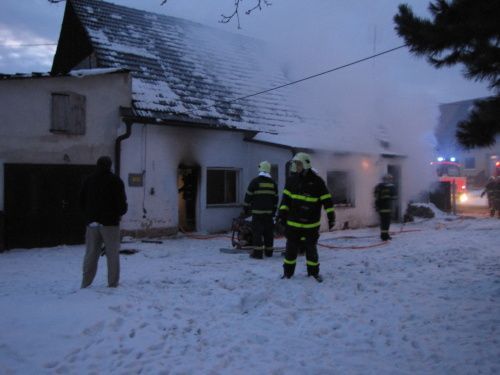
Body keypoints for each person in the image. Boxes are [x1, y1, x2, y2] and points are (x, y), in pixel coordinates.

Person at [277, 153, 335, 282]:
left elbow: (327, 201)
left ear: (305, 164)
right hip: (293, 224)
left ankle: (313, 274)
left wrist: (331, 217)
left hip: (311, 225)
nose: (296, 166)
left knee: (311, 250)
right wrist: (281, 215)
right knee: (290, 250)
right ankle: (287, 274)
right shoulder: (292, 180)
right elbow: (285, 200)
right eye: (295, 164)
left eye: (298, 164)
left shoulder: (318, 182)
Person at [80, 156, 128, 288]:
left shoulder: (88, 180)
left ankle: (86, 282)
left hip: (92, 223)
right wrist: (120, 212)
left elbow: (81, 201)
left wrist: (88, 216)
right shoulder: (115, 181)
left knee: (90, 253)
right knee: (112, 254)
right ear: (110, 165)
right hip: (110, 223)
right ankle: (112, 283)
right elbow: (121, 203)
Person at [243, 161, 279, 259]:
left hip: (257, 213)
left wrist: (245, 209)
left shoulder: (255, 181)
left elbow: (248, 196)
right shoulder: (273, 183)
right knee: (268, 233)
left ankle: (258, 254)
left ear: (260, 169)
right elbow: (276, 199)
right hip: (269, 214)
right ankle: (269, 252)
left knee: (257, 233)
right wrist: (274, 211)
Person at [374, 174, 397, 241]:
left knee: (383, 222)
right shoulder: (391, 187)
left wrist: (377, 206)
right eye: (389, 179)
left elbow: (376, 196)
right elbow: (394, 197)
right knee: (386, 222)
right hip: (387, 208)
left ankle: (384, 235)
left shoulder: (379, 187)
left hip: (380, 208)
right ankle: (385, 236)